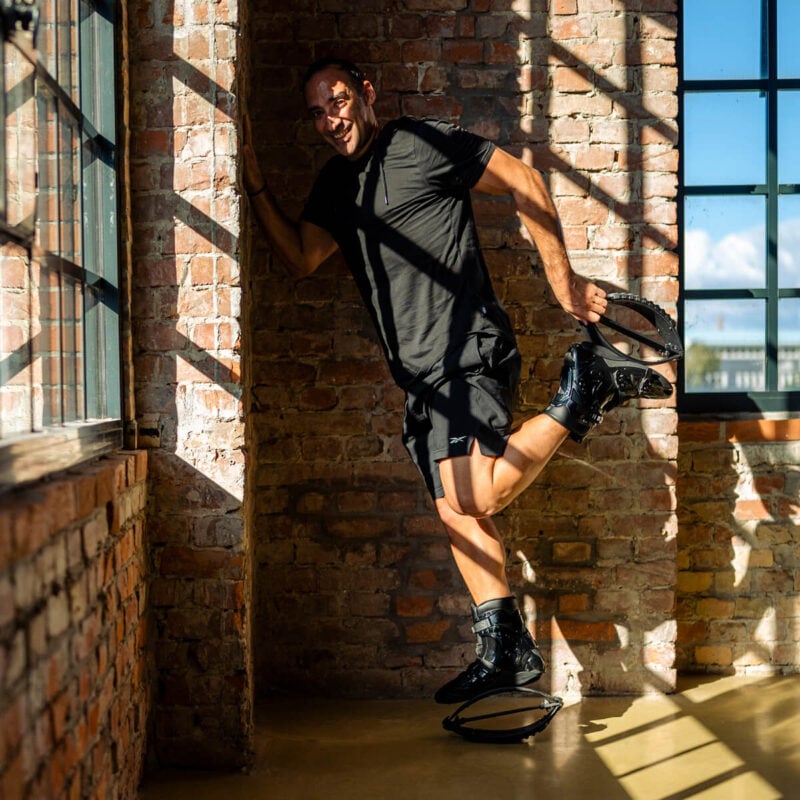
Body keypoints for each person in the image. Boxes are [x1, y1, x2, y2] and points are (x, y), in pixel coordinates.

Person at [242, 57, 672, 704]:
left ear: (366, 93)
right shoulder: (336, 185)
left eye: (337, 102)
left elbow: (523, 177)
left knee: (476, 498)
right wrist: (253, 188)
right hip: (419, 375)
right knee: (454, 509)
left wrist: (564, 282)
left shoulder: (418, 142)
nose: (329, 121)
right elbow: (304, 256)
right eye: (317, 112)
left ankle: (580, 388)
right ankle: (505, 649)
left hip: (466, 346)